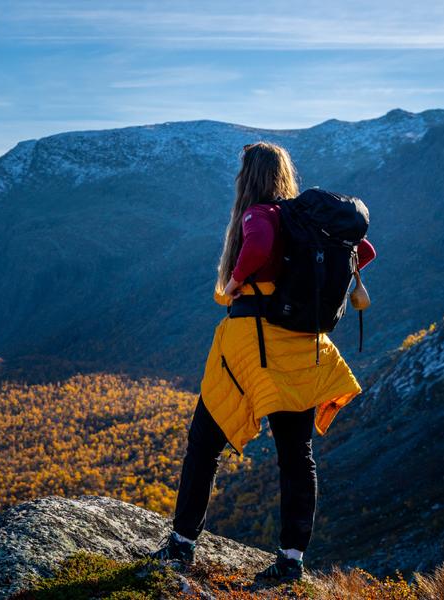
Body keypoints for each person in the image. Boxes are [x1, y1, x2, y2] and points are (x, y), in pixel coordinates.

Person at [150, 141, 376, 582]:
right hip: (302, 349)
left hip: (252, 348)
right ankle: (291, 559)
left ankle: (181, 545)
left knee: (204, 446)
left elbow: (257, 247)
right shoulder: (307, 221)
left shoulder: (260, 215)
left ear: (247, 178)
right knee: (296, 455)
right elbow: (364, 252)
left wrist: (234, 282)